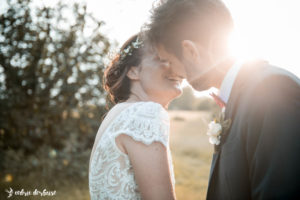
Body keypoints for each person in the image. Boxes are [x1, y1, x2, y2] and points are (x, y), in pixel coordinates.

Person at [146, 0, 300, 199]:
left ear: (191, 51)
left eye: (168, 60)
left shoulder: (271, 90)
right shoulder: (239, 94)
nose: (172, 71)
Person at [88, 33, 185, 200]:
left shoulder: (118, 113)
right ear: (133, 71)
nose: (177, 67)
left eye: (175, 58)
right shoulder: (145, 113)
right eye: (162, 58)